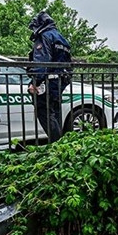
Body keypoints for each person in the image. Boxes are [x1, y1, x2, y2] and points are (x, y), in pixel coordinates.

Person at [27, 11, 72, 143]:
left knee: (45, 112)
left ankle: (57, 145)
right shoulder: (61, 38)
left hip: (48, 80)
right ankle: (60, 145)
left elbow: (41, 62)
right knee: (54, 113)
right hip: (60, 79)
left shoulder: (44, 36)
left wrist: (35, 82)